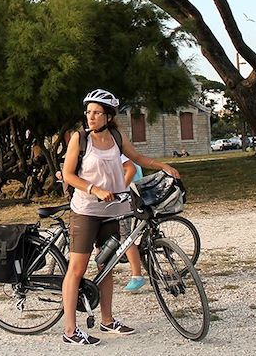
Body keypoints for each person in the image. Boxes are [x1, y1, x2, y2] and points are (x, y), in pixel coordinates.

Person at [61, 89, 180, 346]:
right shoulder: (79, 139)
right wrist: (95, 189)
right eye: (88, 112)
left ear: (108, 116)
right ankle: (70, 330)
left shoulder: (116, 137)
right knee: (78, 269)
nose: (90, 117)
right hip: (86, 211)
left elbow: (137, 159)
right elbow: (69, 175)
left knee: (107, 266)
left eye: (96, 113)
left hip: (112, 211)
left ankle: (107, 320)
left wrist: (163, 166)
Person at [120, 156, 146, 291]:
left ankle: (137, 275)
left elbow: (131, 170)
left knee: (125, 237)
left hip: (125, 199)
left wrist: (118, 189)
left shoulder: (117, 152)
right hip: (126, 198)